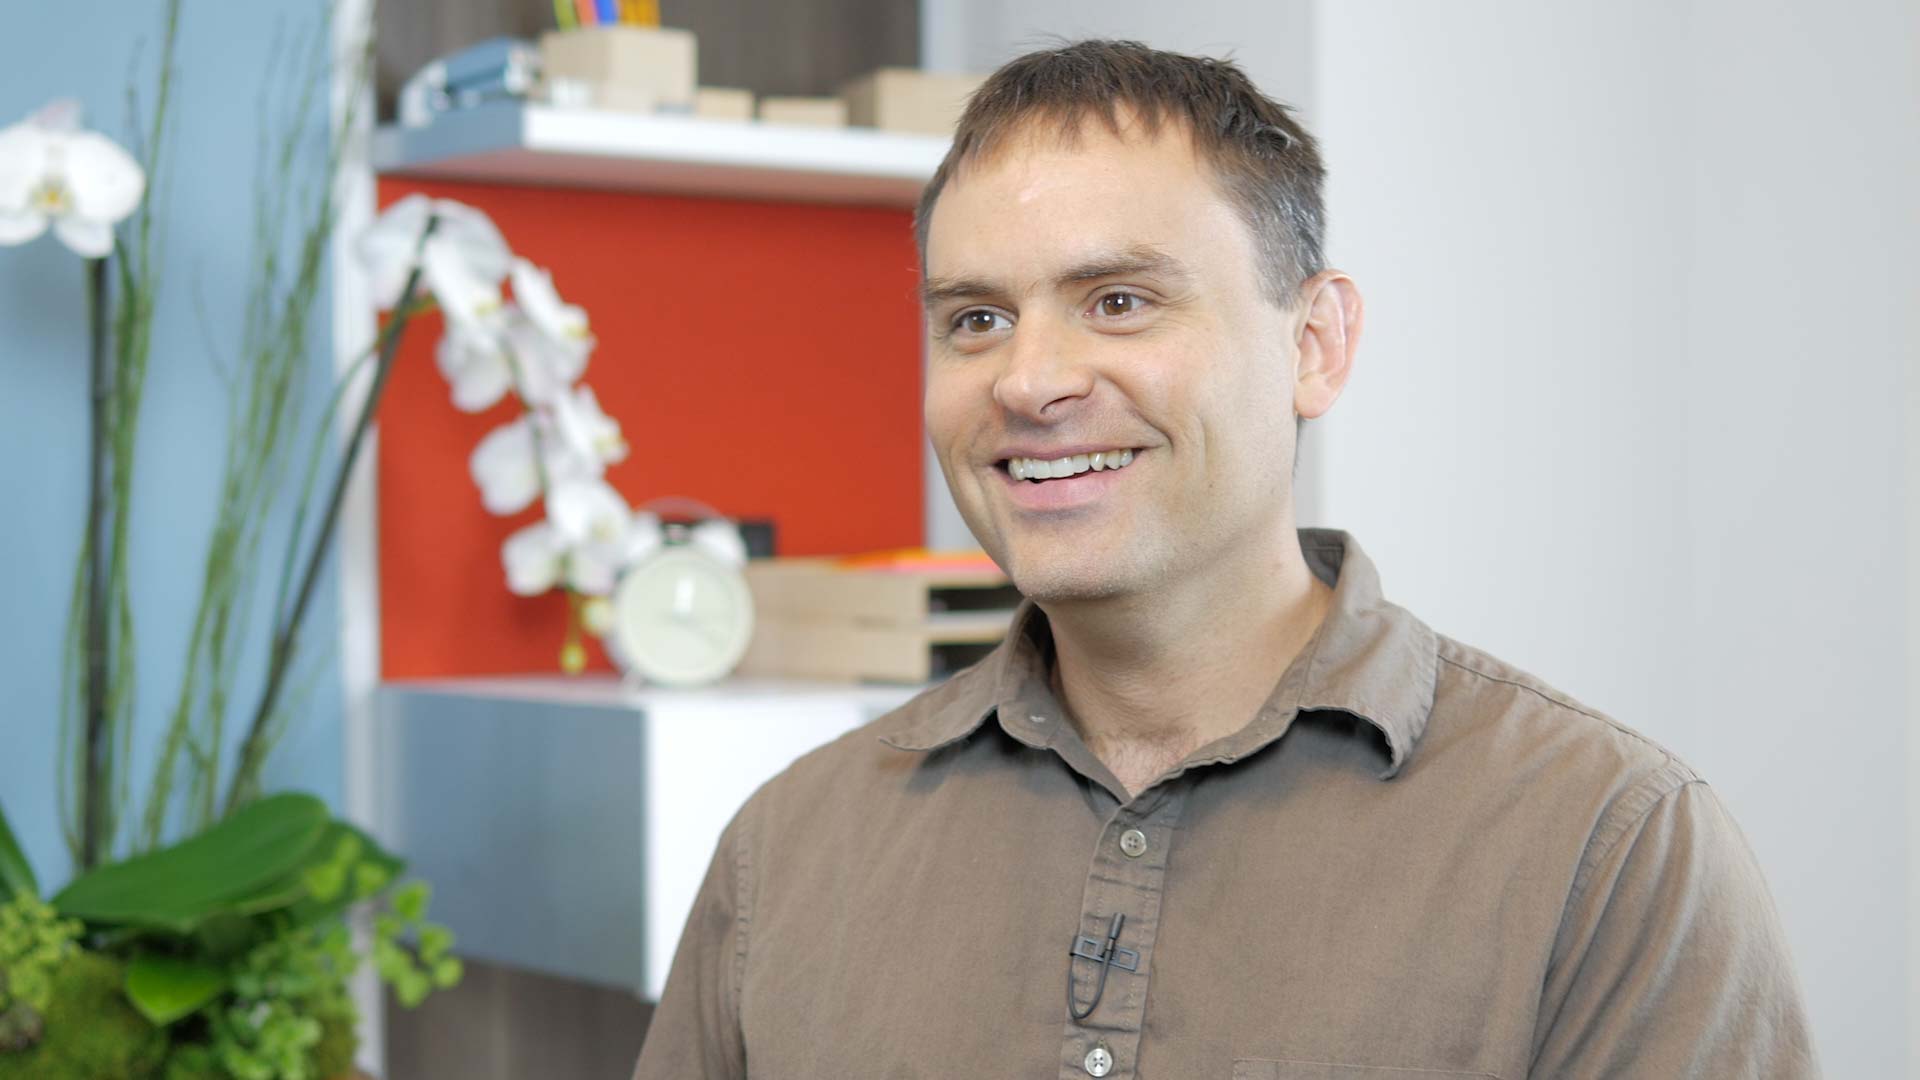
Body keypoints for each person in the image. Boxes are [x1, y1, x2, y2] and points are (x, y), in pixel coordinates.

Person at [632, 40, 1819, 1079]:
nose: (1030, 382)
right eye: (975, 320)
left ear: (1316, 344)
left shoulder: (1608, 848)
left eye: (1119, 300)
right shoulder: (786, 852)